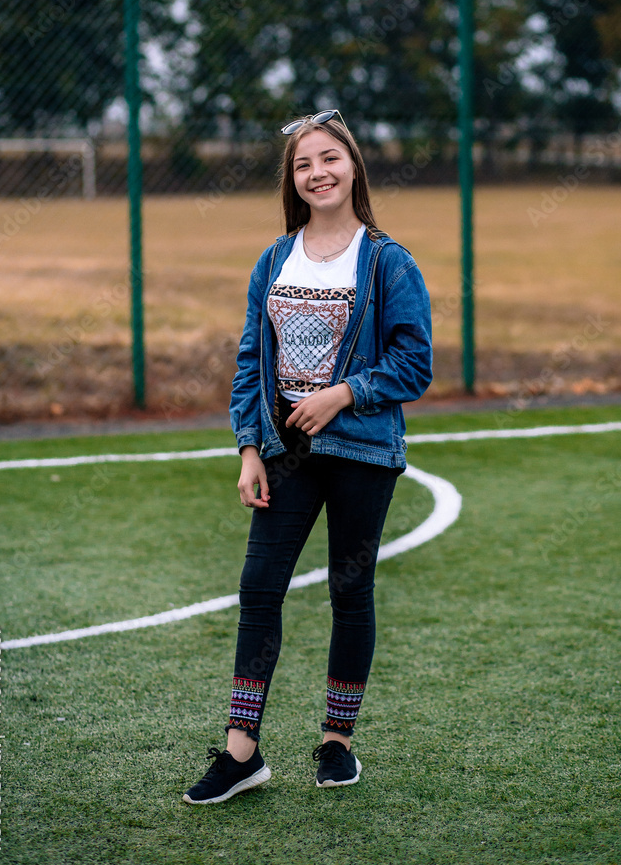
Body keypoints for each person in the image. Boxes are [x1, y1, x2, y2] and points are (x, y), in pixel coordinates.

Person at [183, 110, 432, 805]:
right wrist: (247, 448)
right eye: (302, 165)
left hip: (360, 450)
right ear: (292, 180)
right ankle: (241, 754)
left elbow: (415, 362)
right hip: (284, 453)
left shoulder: (386, 259)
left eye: (328, 159)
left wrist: (344, 393)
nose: (317, 173)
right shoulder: (274, 257)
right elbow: (248, 362)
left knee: (349, 594)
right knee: (259, 590)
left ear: (353, 166)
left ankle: (336, 743)